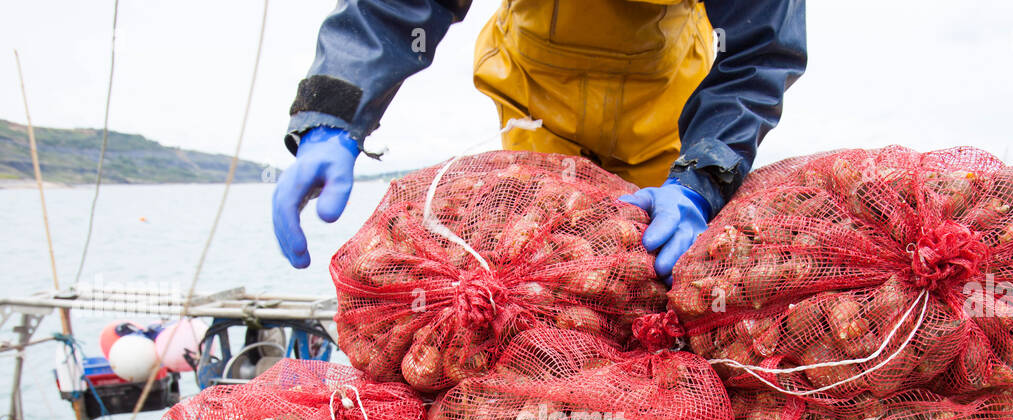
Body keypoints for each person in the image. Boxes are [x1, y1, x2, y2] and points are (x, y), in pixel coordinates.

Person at [272, 0, 806, 279]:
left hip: (670, 129)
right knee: (532, 275)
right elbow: (396, 7)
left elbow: (759, 49)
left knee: (647, 284)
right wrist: (334, 114)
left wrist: (703, 177)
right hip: (536, 112)